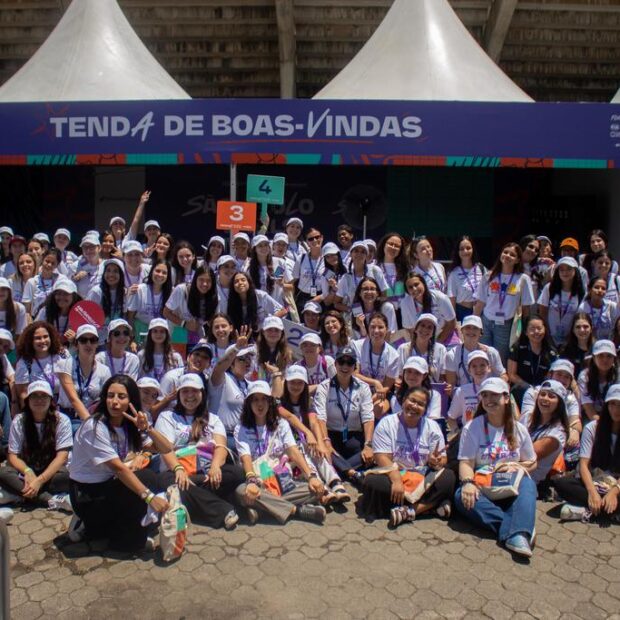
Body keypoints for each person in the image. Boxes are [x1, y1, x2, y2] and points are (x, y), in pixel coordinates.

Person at [68, 375, 171, 551]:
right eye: (110, 396)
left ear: (131, 400)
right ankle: (105, 532)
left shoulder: (128, 425)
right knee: (145, 482)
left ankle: (113, 528)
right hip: (87, 494)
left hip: (107, 485)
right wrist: (150, 498)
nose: (114, 402)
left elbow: (166, 448)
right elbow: (118, 468)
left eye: (121, 397)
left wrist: (147, 428)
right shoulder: (94, 426)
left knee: (148, 479)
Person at [455, 377, 538, 558]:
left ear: (506, 398)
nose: (489, 400)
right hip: (482, 486)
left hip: (509, 485)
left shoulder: (519, 429)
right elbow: (466, 463)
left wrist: (515, 465)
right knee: (461, 497)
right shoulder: (472, 427)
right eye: (485, 395)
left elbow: (532, 462)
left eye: (494, 395)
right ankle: (520, 529)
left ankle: (517, 531)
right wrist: (468, 483)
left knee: (528, 484)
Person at [155, 373, 245, 530]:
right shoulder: (167, 417)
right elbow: (166, 450)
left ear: (202, 394)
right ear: (179, 394)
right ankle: (223, 510)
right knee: (168, 482)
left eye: (194, 391)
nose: (190, 395)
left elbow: (221, 446)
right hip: (178, 472)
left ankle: (192, 500)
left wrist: (215, 467)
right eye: (185, 391)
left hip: (206, 473)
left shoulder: (213, 418)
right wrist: (178, 469)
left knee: (236, 473)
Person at [234, 381, 327, 525]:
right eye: (255, 400)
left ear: (270, 402)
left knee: (317, 488)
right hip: (257, 482)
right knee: (241, 491)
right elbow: (245, 458)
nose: (260, 404)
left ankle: (261, 509)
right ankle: (297, 510)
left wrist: (311, 476)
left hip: (280, 480)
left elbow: (293, 451)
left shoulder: (281, 423)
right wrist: (251, 481)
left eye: (264, 399)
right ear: (249, 404)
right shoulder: (241, 428)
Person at [360, 386, 455, 527]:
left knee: (449, 477)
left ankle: (410, 511)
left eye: (421, 404)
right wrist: (396, 479)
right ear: (404, 400)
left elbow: (442, 458)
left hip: (422, 476)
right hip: (395, 473)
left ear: (425, 409)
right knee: (372, 482)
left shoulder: (432, 427)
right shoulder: (387, 423)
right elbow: (381, 457)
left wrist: (436, 461)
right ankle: (431, 506)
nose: (415, 406)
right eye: (412, 400)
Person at [278, 366, 350, 503]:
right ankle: (321, 488)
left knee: (317, 452)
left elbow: (314, 422)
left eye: (300, 383)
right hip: (289, 446)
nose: (296, 386)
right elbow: (290, 417)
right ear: (286, 383)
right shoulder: (278, 402)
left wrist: (320, 443)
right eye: (292, 382)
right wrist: (308, 433)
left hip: (306, 442)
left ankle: (335, 483)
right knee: (305, 454)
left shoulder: (308, 401)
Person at [553, 383, 620, 523]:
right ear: (607, 406)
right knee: (561, 483)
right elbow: (583, 464)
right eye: (612, 404)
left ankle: (587, 511)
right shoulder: (593, 428)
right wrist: (592, 492)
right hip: (597, 480)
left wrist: (614, 491)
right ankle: (608, 511)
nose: (616, 409)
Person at [0, 381, 72, 508]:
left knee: (71, 477)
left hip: (51, 472)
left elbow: (62, 457)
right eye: (34, 396)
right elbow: (12, 456)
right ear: (28, 400)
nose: (39, 400)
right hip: (26, 471)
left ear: (51, 400)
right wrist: (28, 472)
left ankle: (20, 495)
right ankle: (52, 500)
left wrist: (39, 480)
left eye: (43, 396)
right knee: (3, 473)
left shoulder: (62, 420)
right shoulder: (19, 420)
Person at [312, 345, 375, 484]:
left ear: (355, 367)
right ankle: (352, 473)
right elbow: (321, 417)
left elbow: (368, 417)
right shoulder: (324, 387)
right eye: (341, 362)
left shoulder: (363, 387)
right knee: (324, 451)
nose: (345, 366)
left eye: (349, 362)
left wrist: (368, 445)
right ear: (335, 364)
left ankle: (337, 470)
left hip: (353, 436)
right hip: (331, 435)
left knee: (372, 452)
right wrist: (326, 441)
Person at [474, 242, 535, 364]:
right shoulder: (489, 276)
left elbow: (526, 308)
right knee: (482, 356)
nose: (507, 256)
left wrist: (525, 328)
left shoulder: (523, 279)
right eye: (505, 252)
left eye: (512, 255)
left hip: (506, 325)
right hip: (486, 322)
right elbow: (480, 302)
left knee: (500, 360)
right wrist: (474, 322)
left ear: (518, 260)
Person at [57, 324, 111, 432]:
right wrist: (90, 425)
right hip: (68, 419)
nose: (88, 344)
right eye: (83, 340)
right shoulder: (64, 365)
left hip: (94, 418)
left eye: (93, 340)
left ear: (97, 344)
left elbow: (105, 400)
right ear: (76, 344)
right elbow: (73, 399)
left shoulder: (104, 370)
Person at [208, 327, 254, 448]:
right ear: (231, 363)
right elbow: (219, 366)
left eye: (249, 358)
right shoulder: (222, 379)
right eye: (242, 359)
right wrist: (236, 348)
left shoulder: (251, 385)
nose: (247, 362)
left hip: (244, 436)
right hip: (222, 436)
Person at [521, 380, 569, 495]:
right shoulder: (527, 417)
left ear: (560, 403)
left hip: (526, 479)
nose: (545, 398)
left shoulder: (557, 433)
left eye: (551, 396)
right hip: (510, 468)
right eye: (542, 394)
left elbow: (527, 456)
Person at [353, 312, 399, 419]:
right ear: (368, 328)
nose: (376, 331)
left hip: (380, 393)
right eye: (373, 327)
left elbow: (387, 385)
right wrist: (375, 382)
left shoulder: (393, 355)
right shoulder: (357, 346)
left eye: (380, 327)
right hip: (358, 390)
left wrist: (372, 398)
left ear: (387, 329)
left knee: (378, 408)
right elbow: (354, 374)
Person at [507, 314, 558, 407]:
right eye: (532, 329)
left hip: (543, 392)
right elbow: (511, 375)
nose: (536, 332)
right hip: (521, 388)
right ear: (526, 332)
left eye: (539, 328)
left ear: (545, 330)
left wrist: (540, 390)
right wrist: (528, 387)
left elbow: (554, 376)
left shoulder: (551, 352)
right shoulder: (517, 348)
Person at [14, 321, 67, 406]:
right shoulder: (24, 363)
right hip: (38, 408)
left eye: (45, 336)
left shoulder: (62, 355)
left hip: (63, 407)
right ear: (30, 341)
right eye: (38, 338)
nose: (43, 341)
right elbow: (23, 395)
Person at [445, 315, 506, 389]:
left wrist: (501, 388)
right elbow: (451, 383)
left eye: (475, 328)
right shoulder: (452, 355)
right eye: (468, 327)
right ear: (462, 331)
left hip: (488, 392)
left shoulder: (491, 352)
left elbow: (502, 375)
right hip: (464, 394)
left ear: (481, 332)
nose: (471, 331)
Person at [164, 265, 219, 345]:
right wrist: (184, 324)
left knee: (197, 352)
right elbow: (166, 312)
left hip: (197, 332)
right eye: (201, 280)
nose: (205, 284)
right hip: (178, 331)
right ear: (195, 279)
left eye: (208, 281)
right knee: (179, 353)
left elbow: (213, 320)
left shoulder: (214, 297)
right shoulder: (181, 290)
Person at [537, 256, 585, 348]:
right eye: (561, 270)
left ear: (575, 271)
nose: (565, 272)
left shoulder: (580, 293)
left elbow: (580, 318)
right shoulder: (549, 288)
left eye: (569, 269)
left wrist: (569, 340)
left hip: (571, 340)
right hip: (549, 337)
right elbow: (542, 313)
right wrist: (547, 336)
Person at [401, 273, 455, 344]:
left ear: (423, 283)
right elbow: (409, 329)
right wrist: (419, 344)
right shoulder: (405, 303)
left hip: (442, 335)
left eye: (416, 284)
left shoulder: (440, 298)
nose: (414, 289)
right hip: (419, 338)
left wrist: (438, 342)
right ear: (407, 291)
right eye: (410, 287)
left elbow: (451, 322)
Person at [335, 241, 388, 312]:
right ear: (350, 254)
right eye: (356, 251)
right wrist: (352, 310)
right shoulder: (346, 277)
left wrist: (372, 301)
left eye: (363, 252)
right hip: (355, 314)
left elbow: (385, 295)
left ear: (366, 256)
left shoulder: (375, 270)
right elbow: (336, 303)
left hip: (374, 313)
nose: (359, 254)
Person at [126, 259, 172, 340]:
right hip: (140, 334)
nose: (160, 275)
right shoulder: (139, 290)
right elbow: (130, 317)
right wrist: (132, 338)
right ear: (151, 272)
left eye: (164, 273)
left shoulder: (171, 293)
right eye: (157, 271)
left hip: (161, 336)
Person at [396, 313, 447, 384]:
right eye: (422, 325)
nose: (425, 329)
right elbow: (399, 375)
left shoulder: (441, 349)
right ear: (415, 329)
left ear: (433, 333)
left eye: (430, 327)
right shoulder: (403, 349)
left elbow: (442, 377)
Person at [447, 235, 486, 321]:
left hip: (481, 311)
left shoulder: (481, 268)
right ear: (458, 252)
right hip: (462, 312)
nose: (465, 251)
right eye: (462, 249)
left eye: (468, 248)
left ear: (473, 249)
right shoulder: (454, 273)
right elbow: (452, 299)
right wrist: (454, 320)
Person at [577, 339, 618, 421]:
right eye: (601, 355)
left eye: (609, 356)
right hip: (592, 416)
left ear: (614, 358)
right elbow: (588, 406)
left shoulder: (618, 375)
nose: (605, 360)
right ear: (593, 358)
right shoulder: (584, 377)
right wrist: (601, 425)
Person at [36, 279, 80, 345]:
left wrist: (75, 339)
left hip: (72, 349)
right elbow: (35, 330)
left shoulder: (80, 314)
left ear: (73, 296)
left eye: (66, 294)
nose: (61, 297)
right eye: (58, 293)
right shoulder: (46, 311)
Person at [22, 248, 63, 318]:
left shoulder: (61, 280)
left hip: (54, 319)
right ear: (42, 260)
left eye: (53, 263)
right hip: (36, 320)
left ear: (57, 265)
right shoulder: (32, 282)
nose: (49, 265)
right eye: (47, 261)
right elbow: (27, 310)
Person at [375, 233, 409, 313]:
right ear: (384, 245)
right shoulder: (375, 267)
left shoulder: (405, 269)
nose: (393, 247)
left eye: (397, 246)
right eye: (390, 244)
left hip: (401, 311)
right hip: (381, 310)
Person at [293, 227, 325, 309]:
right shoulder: (301, 258)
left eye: (317, 237)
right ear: (307, 242)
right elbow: (294, 280)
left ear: (322, 237)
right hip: (302, 298)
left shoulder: (327, 258)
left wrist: (321, 297)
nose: (315, 240)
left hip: (321, 297)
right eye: (310, 239)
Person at [577, 276, 618, 340]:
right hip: (590, 343)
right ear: (589, 289)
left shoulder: (611, 306)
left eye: (603, 288)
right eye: (596, 287)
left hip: (608, 343)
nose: (600, 290)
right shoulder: (583, 308)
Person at [560, 312, 594, 376]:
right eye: (578, 327)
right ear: (573, 330)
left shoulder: (597, 349)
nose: (582, 330)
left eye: (585, 327)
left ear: (591, 328)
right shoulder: (565, 350)